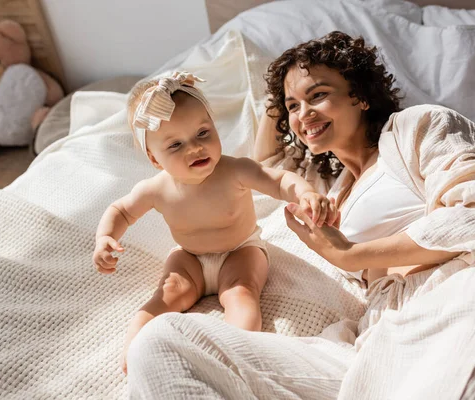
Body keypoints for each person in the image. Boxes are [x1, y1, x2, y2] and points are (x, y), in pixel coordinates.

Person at [126, 34, 475, 399]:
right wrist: (278, 93)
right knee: (163, 342)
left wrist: (353, 254)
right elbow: (263, 162)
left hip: (469, 291)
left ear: (360, 95)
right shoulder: (332, 187)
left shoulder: (418, 128)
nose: (303, 115)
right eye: (293, 107)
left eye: (317, 95)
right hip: (379, 337)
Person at [92, 71, 338, 374]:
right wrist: (105, 237)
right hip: (189, 257)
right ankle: (135, 349)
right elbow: (121, 210)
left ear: (214, 127)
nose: (194, 148)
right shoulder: (155, 189)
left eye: (203, 134)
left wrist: (306, 192)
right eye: (175, 145)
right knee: (166, 296)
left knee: (241, 292)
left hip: (240, 249)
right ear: (155, 159)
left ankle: (236, 352)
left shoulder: (235, 170)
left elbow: (278, 180)